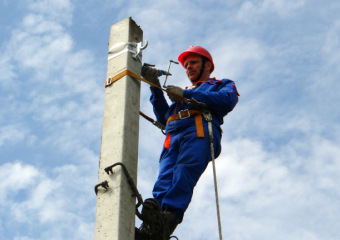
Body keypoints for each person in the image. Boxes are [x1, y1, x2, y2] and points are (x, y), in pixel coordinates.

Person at [141, 46, 239, 238]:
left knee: (184, 171)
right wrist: (154, 85)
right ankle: (153, 224)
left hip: (199, 130)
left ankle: (169, 218)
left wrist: (187, 95)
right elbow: (164, 117)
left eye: (193, 63)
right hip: (174, 134)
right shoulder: (181, 94)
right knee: (164, 178)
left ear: (208, 65)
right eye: (186, 65)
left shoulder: (220, 84)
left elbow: (227, 100)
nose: (188, 68)